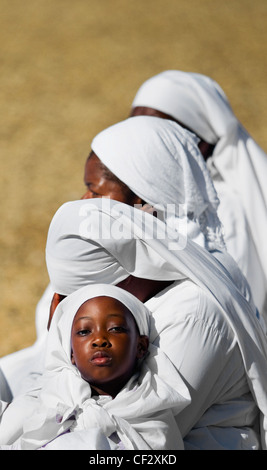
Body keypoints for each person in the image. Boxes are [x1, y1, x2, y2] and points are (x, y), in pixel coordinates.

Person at [129, 70, 267, 320]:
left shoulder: (223, 208)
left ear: (201, 141)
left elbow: (225, 308)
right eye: (135, 126)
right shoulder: (134, 195)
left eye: (160, 130)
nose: (143, 140)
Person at [0, 284, 189, 450]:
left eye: (115, 328)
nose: (99, 340)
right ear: (71, 353)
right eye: (84, 331)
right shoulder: (41, 405)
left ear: (141, 346)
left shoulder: (153, 422)